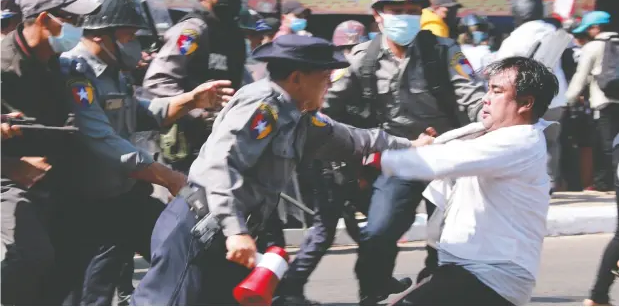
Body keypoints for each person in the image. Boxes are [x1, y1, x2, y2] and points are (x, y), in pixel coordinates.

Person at [131, 34, 420, 306]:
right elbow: (222, 165)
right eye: (324, 79)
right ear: (296, 78)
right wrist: (235, 231)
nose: (329, 85)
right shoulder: (262, 106)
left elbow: (353, 139)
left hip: (229, 237)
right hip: (202, 230)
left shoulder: (299, 116)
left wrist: (412, 144)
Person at [55, 0, 235, 305]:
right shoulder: (75, 72)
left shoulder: (117, 74)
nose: (134, 44)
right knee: (90, 296)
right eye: (127, 36)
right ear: (100, 34)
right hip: (92, 209)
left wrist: (191, 99)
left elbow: (141, 113)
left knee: (189, 253)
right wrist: (168, 177)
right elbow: (102, 140)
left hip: (128, 199)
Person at [321, 0, 486, 305]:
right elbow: (328, 106)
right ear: (377, 15)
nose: (406, 18)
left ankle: (435, 288)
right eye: (397, 11)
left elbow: (472, 98)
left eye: (414, 12)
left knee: (449, 240)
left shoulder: (445, 51)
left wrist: (494, 119)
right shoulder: (362, 58)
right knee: (378, 231)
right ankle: (373, 292)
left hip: (447, 155)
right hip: (399, 157)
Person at [383, 56, 560, 306]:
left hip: (490, 277)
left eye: (497, 91)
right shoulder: (485, 134)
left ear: (526, 103)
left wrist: (376, 156)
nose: (485, 98)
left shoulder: (520, 141)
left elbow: (444, 160)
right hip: (465, 269)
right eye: (488, 88)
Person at [0, 0, 100, 306]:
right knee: (32, 256)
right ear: (45, 20)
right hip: (7, 182)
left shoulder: (58, 65)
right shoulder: (2, 65)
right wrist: (11, 165)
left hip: (54, 181)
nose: (79, 28)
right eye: (72, 20)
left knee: (73, 257)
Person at [274, 20, 369, 306]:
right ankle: (289, 288)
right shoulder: (338, 79)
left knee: (367, 228)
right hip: (331, 164)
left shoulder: (351, 75)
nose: (352, 55)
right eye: (348, 50)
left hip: (344, 161)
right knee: (326, 229)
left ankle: (373, 282)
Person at [141, 0, 250, 173]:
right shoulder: (191, 32)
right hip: (183, 149)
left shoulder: (235, 35)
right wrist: (198, 112)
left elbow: (242, 83)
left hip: (222, 146)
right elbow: (157, 83)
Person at [569, 11, 619, 307]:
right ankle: (598, 294)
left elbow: (579, 79)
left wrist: (568, 102)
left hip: (605, 111)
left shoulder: (592, 47)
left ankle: (598, 294)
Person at [496, 0, 569, 192]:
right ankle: (550, 182)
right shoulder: (556, 33)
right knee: (551, 142)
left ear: (519, 14)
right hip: (557, 97)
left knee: (523, 141)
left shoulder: (516, 38)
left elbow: (501, 69)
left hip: (528, 100)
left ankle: (526, 183)